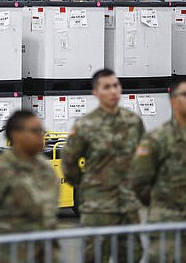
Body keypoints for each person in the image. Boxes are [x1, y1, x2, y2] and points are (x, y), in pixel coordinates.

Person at [130, 78, 186, 260]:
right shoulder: (157, 139)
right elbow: (139, 182)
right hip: (169, 227)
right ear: (173, 101)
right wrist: (163, 205)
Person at [61, 69, 145, 263]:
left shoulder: (133, 122)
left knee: (132, 254)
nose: (113, 91)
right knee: (96, 256)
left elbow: (143, 158)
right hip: (97, 206)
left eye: (116, 85)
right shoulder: (85, 125)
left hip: (128, 204)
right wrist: (86, 185)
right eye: (107, 87)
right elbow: (69, 161)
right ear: (96, 93)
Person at [0, 110, 59, 262]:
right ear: (15, 135)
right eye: (35, 131)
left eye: (42, 131)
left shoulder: (47, 171)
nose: (41, 136)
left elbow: (50, 219)